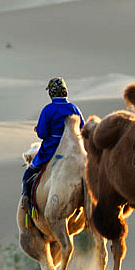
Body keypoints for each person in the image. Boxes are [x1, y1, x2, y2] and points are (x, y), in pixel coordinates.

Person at [21, 77, 85, 213]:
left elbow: (42, 134)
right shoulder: (73, 108)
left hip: (51, 151)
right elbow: (83, 128)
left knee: (28, 173)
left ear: (51, 93)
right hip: (72, 150)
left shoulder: (48, 109)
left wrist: (38, 128)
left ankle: (26, 201)